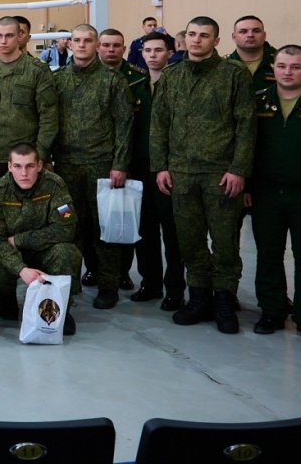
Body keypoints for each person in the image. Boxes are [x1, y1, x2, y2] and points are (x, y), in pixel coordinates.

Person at [152, 17, 255, 333]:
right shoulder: (172, 76)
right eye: (192, 34)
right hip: (181, 173)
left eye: (204, 35)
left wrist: (238, 169)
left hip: (220, 174)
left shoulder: (233, 75)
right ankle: (198, 297)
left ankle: (223, 299)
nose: (196, 40)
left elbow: (246, 125)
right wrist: (161, 166)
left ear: (217, 41)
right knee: (190, 241)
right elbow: (159, 124)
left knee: (225, 242)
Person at [51, 24, 133, 308]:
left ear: (97, 45)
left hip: (102, 166)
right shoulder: (58, 80)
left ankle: (108, 285)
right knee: (69, 227)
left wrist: (120, 164)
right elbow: (49, 122)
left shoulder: (112, 80)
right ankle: (70, 285)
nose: (82, 45)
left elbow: (124, 126)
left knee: (104, 229)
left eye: (88, 40)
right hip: (65, 166)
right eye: (77, 40)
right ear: (70, 44)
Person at [0, 143, 80, 335]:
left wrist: (19, 240)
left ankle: (60, 307)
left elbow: (66, 229)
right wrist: (21, 269)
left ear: (39, 165)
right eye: (18, 166)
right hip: (12, 253)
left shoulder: (54, 185)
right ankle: (6, 297)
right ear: (9, 166)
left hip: (45, 250)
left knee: (66, 253)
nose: (24, 173)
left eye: (29, 166)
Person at [129, 32, 186, 311]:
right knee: (144, 230)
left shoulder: (179, 85)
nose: (152, 55)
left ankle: (174, 289)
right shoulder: (134, 87)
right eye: (147, 50)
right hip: (140, 167)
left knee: (172, 232)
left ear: (170, 53)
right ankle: (150, 283)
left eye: (158, 50)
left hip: (170, 168)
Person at [249, 45, 301, 334]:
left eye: (295, 66)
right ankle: (272, 310)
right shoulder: (258, 102)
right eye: (282, 66)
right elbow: (246, 146)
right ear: (274, 69)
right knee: (268, 254)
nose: (288, 72)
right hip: (265, 193)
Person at [99, 27, 147, 290]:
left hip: (129, 158)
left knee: (122, 217)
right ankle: (95, 270)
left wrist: (122, 162)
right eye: (106, 45)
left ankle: (123, 272)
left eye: (116, 45)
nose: (111, 50)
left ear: (124, 48)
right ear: (98, 47)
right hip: (95, 156)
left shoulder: (138, 78)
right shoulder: (88, 76)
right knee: (96, 220)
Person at [0, 17, 59, 176]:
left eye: (9, 35)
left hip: (27, 158)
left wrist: (40, 154)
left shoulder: (37, 71)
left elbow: (49, 117)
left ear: (19, 36)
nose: (3, 41)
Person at [226, 14, 276, 94]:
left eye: (256, 31)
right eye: (243, 31)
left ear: (264, 35)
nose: (250, 35)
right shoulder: (222, 66)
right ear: (234, 37)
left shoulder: (281, 63)